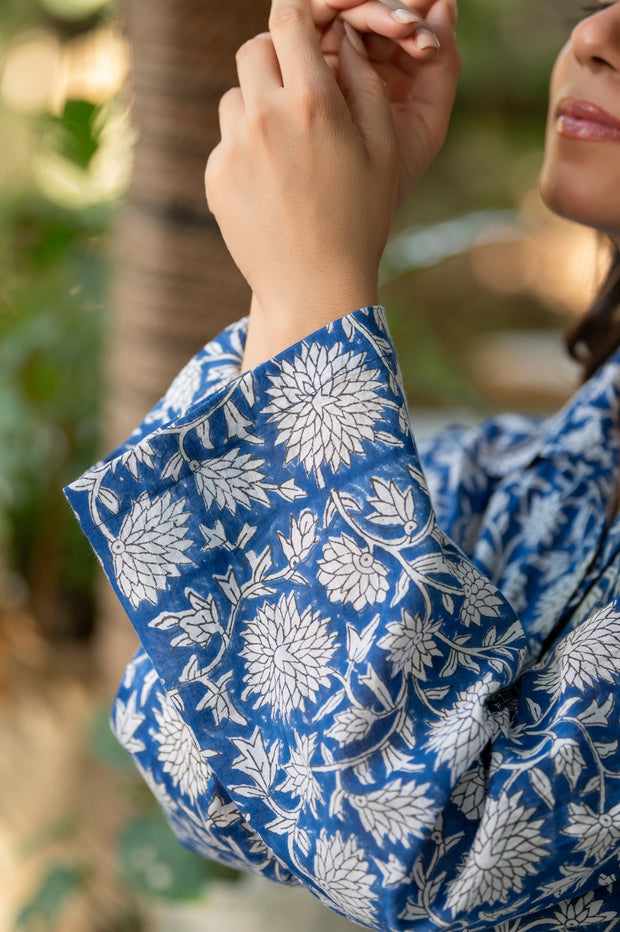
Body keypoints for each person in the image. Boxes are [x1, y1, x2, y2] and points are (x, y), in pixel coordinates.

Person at [65, 0, 620, 928]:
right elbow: (197, 758)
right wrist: (307, 253)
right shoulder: (522, 470)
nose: (597, 38)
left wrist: (312, 285)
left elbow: (459, 864)